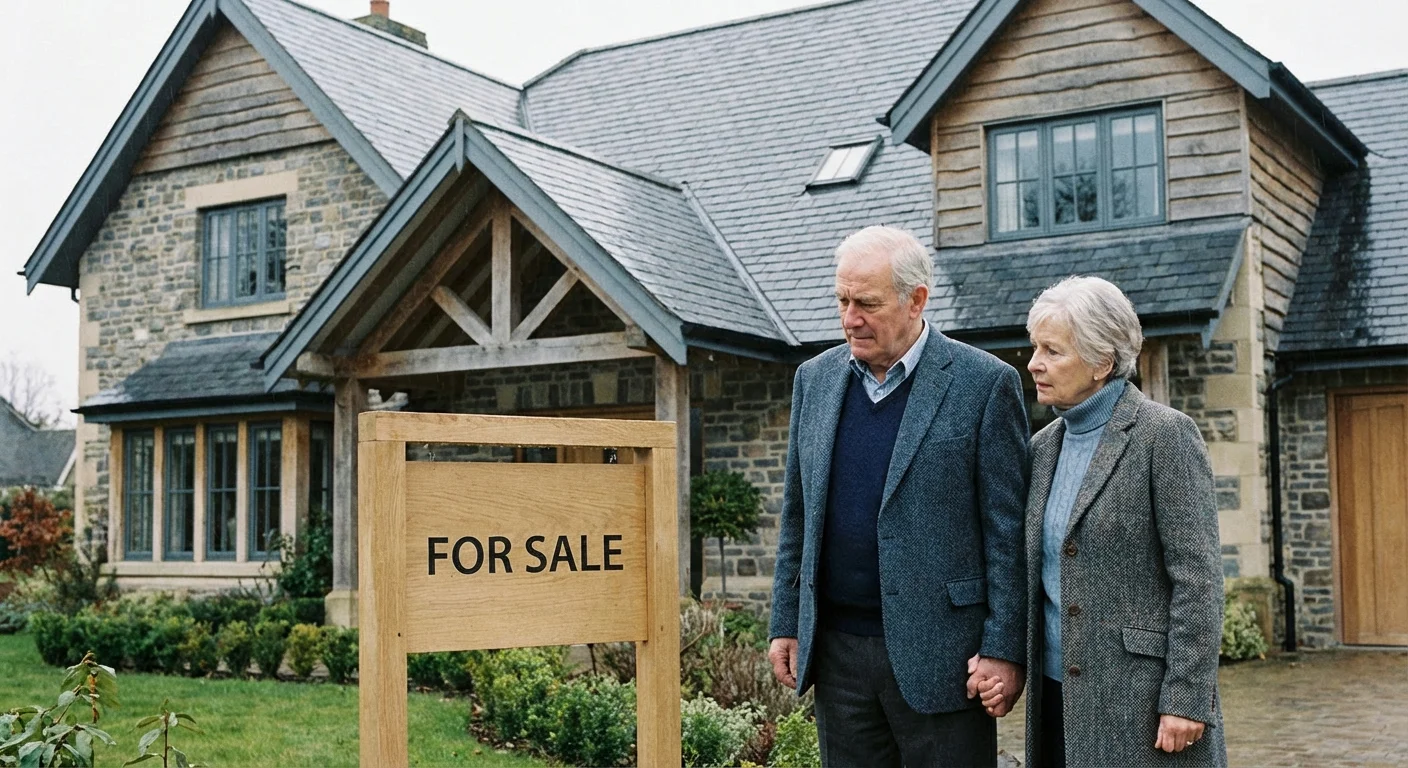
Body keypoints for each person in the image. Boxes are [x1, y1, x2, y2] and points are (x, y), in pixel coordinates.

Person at [767, 225, 1030, 767]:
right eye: (841, 299)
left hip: (946, 658)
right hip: (838, 658)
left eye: (866, 302)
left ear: (917, 300)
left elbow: (1007, 532)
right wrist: (786, 623)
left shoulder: (985, 383)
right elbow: (798, 517)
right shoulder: (812, 381)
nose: (849, 318)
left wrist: (1004, 649)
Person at [979, 276, 1227, 767]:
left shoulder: (1164, 436)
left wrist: (1186, 696)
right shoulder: (1041, 448)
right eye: (1035, 347)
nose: (1034, 364)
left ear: (1102, 363)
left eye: (1053, 350)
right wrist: (1002, 657)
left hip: (1142, 700)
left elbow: (1198, 580)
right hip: (1056, 697)